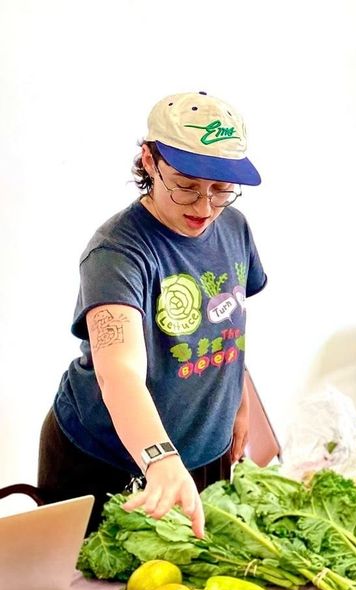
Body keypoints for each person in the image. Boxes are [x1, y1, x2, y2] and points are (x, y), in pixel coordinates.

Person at [37, 91, 268, 537]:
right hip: (105, 459)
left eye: (221, 190)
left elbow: (226, 324)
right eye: (186, 186)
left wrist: (241, 406)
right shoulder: (117, 252)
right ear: (149, 161)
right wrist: (159, 457)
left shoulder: (234, 227)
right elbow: (118, 370)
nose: (204, 208)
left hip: (201, 454)